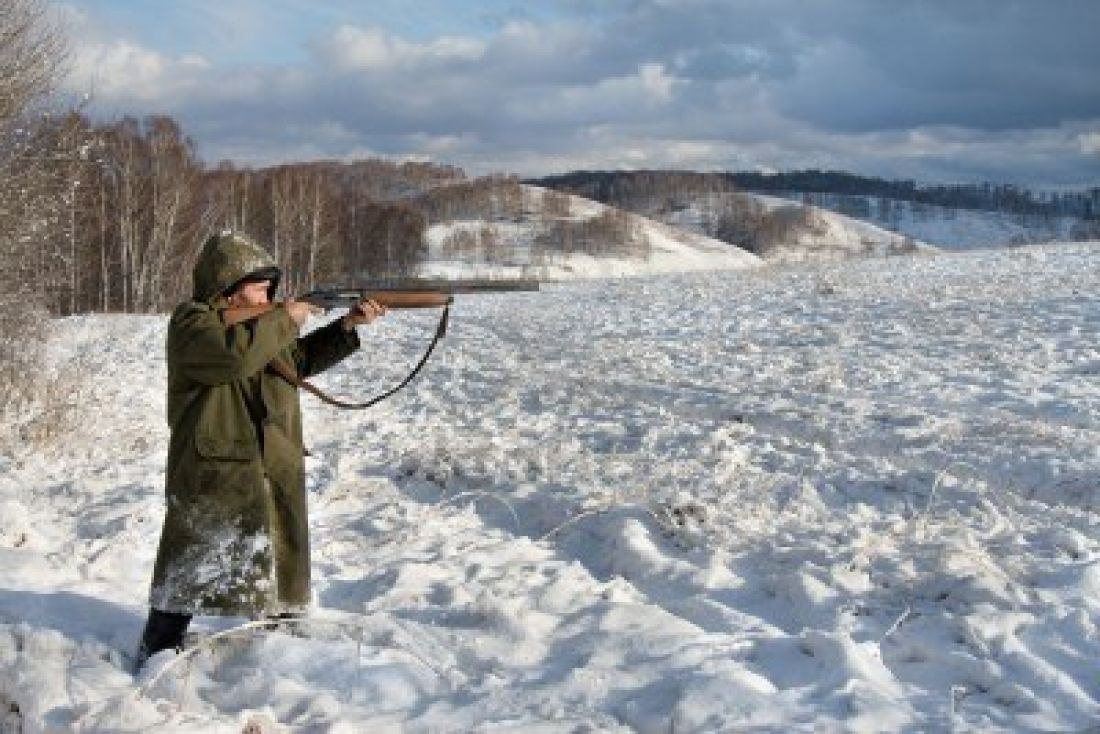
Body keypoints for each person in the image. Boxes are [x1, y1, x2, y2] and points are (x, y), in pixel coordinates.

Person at [135, 230, 385, 671]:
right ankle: (158, 648)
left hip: (272, 454)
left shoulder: (262, 326)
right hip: (215, 461)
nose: (268, 296)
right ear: (227, 286)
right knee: (193, 553)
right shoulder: (192, 323)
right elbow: (233, 358)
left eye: (271, 288)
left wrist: (346, 326)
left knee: (281, 548)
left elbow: (296, 362)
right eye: (258, 287)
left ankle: (282, 638)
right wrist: (287, 316)